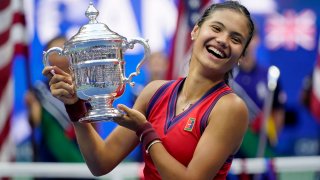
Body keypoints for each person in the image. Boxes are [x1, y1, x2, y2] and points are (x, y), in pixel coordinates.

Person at [42, 1, 255, 179]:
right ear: (195, 31)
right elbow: (101, 163)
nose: (223, 40)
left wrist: (146, 132)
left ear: (241, 56)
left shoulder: (230, 107)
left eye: (236, 39)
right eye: (216, 28)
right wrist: (76, 108)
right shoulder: (155, 93)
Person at [25, 36, 84, 163]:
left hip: (83, 152)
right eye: (56, 52)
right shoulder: (39, 91)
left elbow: (94, 126)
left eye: (65, 50)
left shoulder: (85, 87)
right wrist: (31, 105)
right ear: (47, 57)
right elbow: (34, 122)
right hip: (50, 159)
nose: (61, 56)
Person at [230, 29, 286, 158]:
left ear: (257, 40)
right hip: (232, 149)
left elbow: (278, 112)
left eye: (250, 37)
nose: (247, 43)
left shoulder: (270, 75)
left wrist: (269, 137)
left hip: (261, 147)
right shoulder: (226, 76)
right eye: (241, 38)